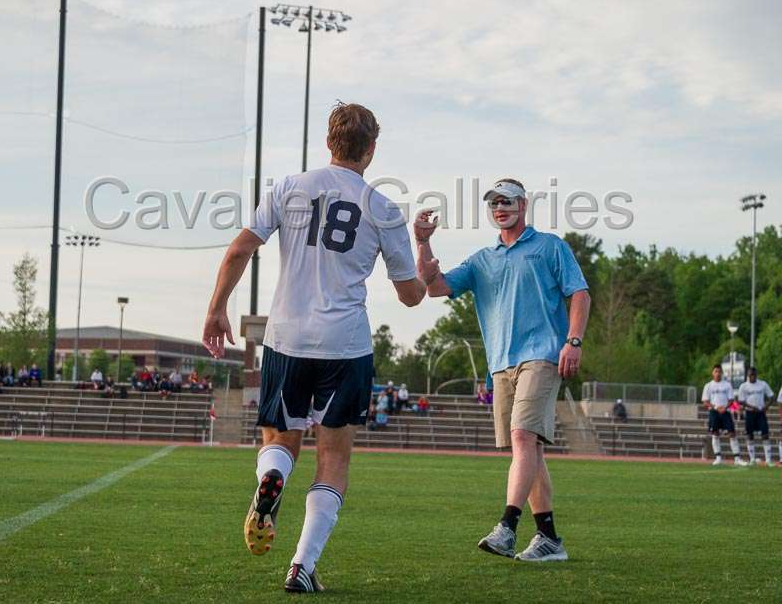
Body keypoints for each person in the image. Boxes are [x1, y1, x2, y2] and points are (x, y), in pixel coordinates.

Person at [201, 102, 431, 593]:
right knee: (334, 459)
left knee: (279, 442)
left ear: (329, 144)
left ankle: (272, 478)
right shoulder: (383, 208)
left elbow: (240, 248)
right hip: (345, 345)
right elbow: (411, 296)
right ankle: (302, 566)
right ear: (371, 150)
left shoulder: (289, 188)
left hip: (286, 338)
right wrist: (421, 256)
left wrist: (217, 308)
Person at [417, 178, 590, 562]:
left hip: (543, 355)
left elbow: (579, 293)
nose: (500, 207)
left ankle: (507, 527)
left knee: (522, 437)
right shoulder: (482, 259)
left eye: (507, 201)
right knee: (527, 448)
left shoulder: (550, 246)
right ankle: (549, 539)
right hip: (501, 364)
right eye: (494, 202)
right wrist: (423, 243)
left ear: (523, 205)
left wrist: (573, 341)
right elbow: (436, 287)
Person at [702, 365, 745, 466]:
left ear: (722, 373)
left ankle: (737, 458)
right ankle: (718, 458)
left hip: (725, 412)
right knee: (715, 433)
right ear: (712, 373)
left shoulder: (727, 385)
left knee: (732, 433)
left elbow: (731, 400)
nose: (718, 373)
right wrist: (716, 407)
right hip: (714, 412)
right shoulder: (708, 385)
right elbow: (705, 401)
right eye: (716, 371)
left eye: (719, 371)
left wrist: (724, 408)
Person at [736, 367, 775, 466]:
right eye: (750, 375)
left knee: (765, 434)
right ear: (747, 375)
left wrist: (765, 407)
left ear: (756, 374)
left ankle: (768, 460)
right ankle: (752, 459)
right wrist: (752, 407)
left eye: (753, 375)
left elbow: (771, 396)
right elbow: (740, 401)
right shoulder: (743, 386)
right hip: (749, 412)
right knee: (750, 435)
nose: (752, 377)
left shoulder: (763, 384)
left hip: (761, 412)